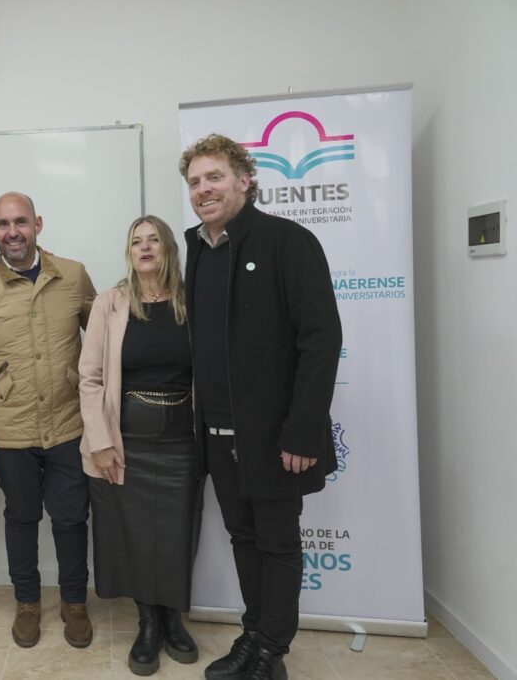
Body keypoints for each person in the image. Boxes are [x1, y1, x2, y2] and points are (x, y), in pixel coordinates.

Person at [180, 134, 342, 680]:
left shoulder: (287, 241)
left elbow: (321, 340)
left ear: (245, 180)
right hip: (218, 434)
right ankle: (253, 634)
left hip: (276, 437)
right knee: (244, 540)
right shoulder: (197, 249)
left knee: (277, 543)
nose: (204, 189)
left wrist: (302, 432)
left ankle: (273, 652)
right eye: (195, 181)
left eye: (215, 177)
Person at [0, 191, 97, 649]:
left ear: (37, 224)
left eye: (20, 222)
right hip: (9, 433)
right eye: (3, 224)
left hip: (68, 425)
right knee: (20, 518)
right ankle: (27, 603)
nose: (12, 232)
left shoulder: (73, 276)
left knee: (71, 519)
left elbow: (102, 341)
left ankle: (74, 603)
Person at [78, 215, 204, 675]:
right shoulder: (110, 304)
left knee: (176, 532)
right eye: (137, 241)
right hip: (126, 437)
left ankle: (173, 618)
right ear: (129, 252)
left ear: (168, 248)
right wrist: (100, 441)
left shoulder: (193, 301)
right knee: (132, 534)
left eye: (154, 240)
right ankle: (148, 622)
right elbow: (90, 378)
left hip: (182, 440)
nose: (145, 247)